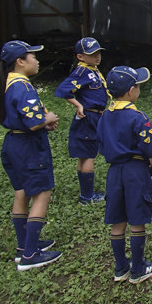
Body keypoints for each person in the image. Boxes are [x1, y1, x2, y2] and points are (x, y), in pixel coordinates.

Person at [0, 41, 62, 271]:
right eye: (33, 57)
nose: (37, 61)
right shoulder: (22, 87)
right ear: (20, 61)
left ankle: (23, 246)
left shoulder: (7, 83)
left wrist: (42, 123)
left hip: (13, 143)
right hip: (28, 147)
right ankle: (30, 255)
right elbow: (34, 122)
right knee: (42, 193)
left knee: (22, 191)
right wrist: (49, 118)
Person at [97, 66, 152, 283]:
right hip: (136, 171)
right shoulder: (138, 117)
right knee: (136, 220)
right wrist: (151, 171)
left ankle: (120, 267)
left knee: (118, 220)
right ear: (131, 91)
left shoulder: (104, 116)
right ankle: (138, 268)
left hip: (114, 172)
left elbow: (102, 145)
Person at [54, 37, 109, 204]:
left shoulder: (91, 70)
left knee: (85, 156)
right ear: (80, 57)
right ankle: (87, 196)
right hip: (88, 118)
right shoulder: (81, 72)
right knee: (88, 156)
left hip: (94, 116)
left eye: (98, 52)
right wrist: (78, 105)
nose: (97, 56)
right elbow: (63, 90)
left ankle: (87, 193)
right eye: (92, 54)